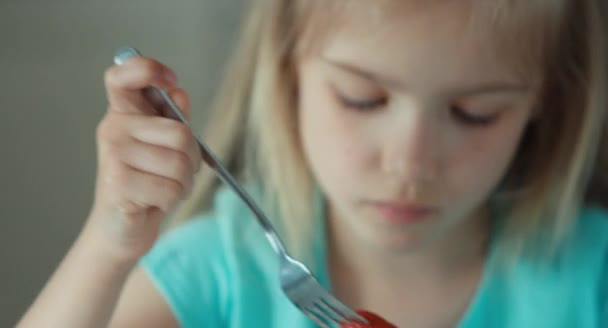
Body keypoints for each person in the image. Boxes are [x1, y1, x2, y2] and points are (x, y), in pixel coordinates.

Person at [17, 0, 608, 327]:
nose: (410, 163)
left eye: (475, 113)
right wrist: (108, 243)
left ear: (546, 103)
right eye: (362, 99)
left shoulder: (591, 277)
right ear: (285, 79)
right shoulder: (219, 270)